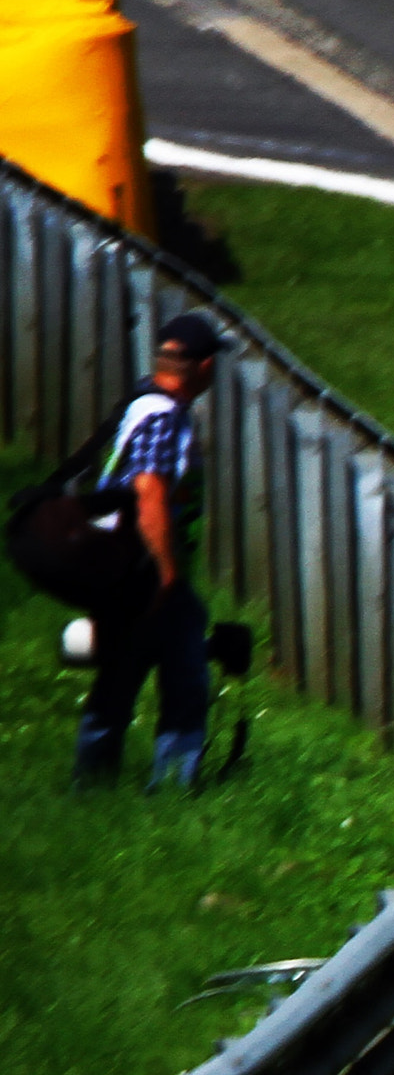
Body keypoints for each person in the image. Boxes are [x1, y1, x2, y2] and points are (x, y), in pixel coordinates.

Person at [73, 312, 222, 789]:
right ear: (202, 366)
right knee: (183, 680)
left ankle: (92, 787)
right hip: (142, 571)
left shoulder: (146, 404)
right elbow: (150, 494)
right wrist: (168, 576)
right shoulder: (161, 416)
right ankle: (174, 787)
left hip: (122, 569)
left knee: (122, 674)